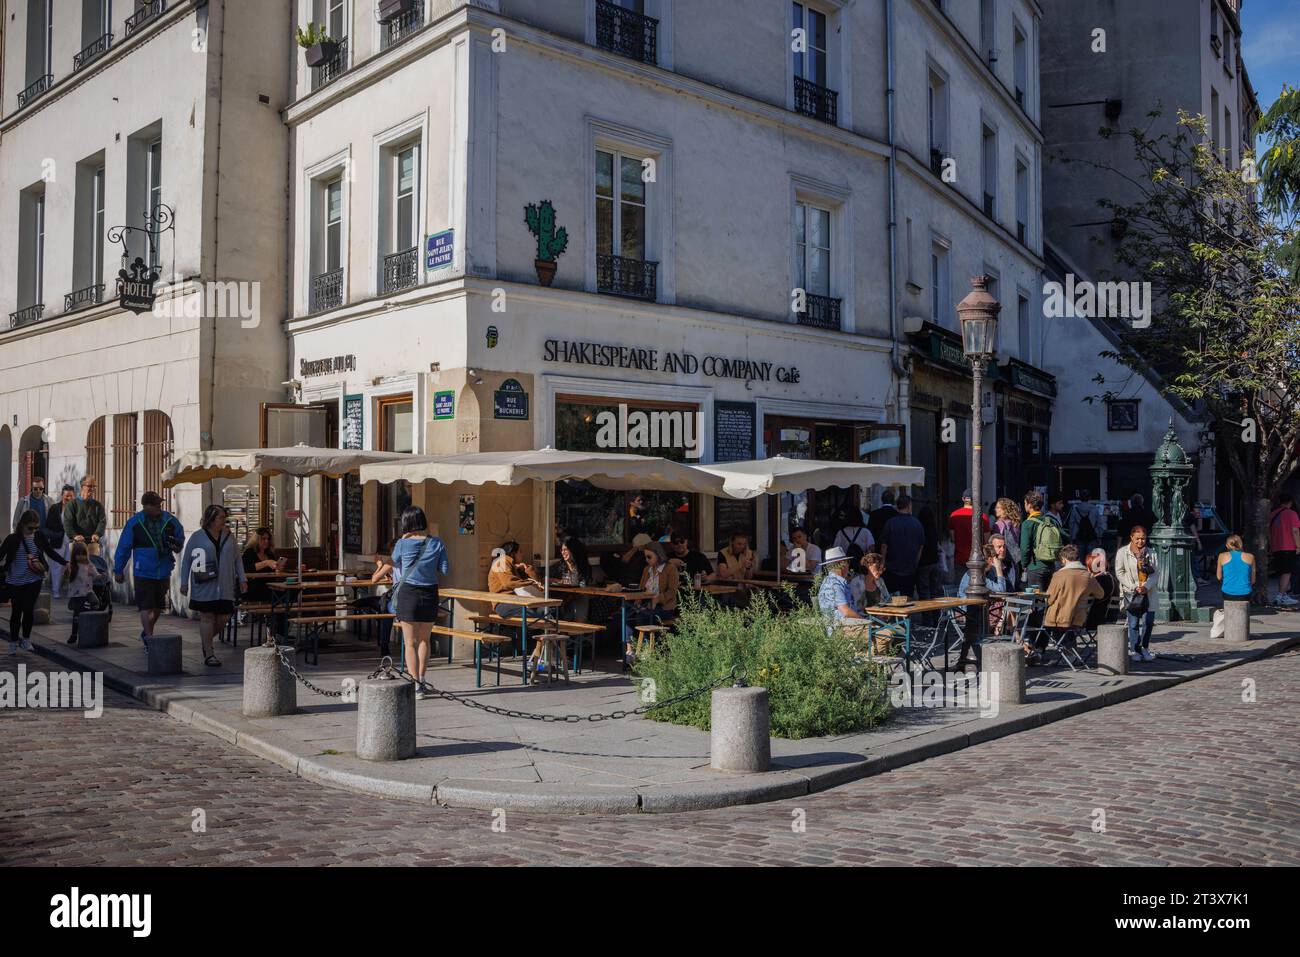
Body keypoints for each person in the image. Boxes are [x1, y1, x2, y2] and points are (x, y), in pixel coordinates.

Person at [389, 506, 449, 698]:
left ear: (406, 523)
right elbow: (445, 569)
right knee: (425, 639)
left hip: (408, 594)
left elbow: (394, 561)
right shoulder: (437, 542)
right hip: (430, 593)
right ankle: (422, 679)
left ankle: (415, 686)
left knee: (410, 642)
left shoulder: (402, 543)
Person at [113, 491, 184, 644]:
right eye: (156, 504)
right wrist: (118, 570)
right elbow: (124, 547)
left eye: (160, 503)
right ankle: (150, 640)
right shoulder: (134, 523)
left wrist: (177, 544)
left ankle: (146, 632)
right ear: (146, 506)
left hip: (163, 570)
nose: (160, 506)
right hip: (143, 571)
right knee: (146, 607)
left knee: (158, 607)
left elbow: (180, 538)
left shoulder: (170, 520)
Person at [179, 505, 247, 667]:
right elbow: (187, 560)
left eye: (224, 517)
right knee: (207, 616)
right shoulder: (197, 537)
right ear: (211, 519)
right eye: (221, 517)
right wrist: (183, 582)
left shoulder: (229, 536)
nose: (224, 520)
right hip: (204, 585)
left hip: (225, 585)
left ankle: (205, 640)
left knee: (223, 618)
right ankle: (209, 653)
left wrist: (243, 579)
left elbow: (238, 559)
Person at [2, 509, 68, 653]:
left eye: (36, 527)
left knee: (28, 609)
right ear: (22, 525)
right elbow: (1, 555)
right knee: (16, 611)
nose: (33, 530)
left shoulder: (39, 536)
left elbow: (50, 552)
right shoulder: (12, 539)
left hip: (34, 579)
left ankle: (25, 640)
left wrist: (65, 562)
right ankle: (13, 642)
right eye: (30, 528)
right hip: (14, 580)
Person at [1035, 544, 1105, 665]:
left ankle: (1041, 651)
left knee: (1041, 619)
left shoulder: (1059, 575)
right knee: (1067, 626)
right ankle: (1070, 653)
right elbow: (1100, 594)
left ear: (1064, 559)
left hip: (1060, 618)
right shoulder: (1088, 576)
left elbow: (1049, 599)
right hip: (1080, 618)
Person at [624, 541, 680, 665]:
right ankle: (630, 650)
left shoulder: (670, 569)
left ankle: (646, 650)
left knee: (642, 616)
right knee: (627, 615)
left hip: (664, 607)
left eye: (649, 557)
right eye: (645, 557)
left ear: (658, 555)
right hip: (646, 604)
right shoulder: (647, 569)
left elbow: (672, 591)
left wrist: (658, 599)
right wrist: (638, 600)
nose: (647, 560)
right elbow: (642, 588)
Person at [1115, 525, 1159, 662]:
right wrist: (1133, 586)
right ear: (1131, 538)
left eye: (1143, 538)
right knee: (1133, 623)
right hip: (1131, 593)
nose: (1140, 541)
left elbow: (1156, 573)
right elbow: (1119, 572)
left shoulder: (1151, 553)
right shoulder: (1123, 552)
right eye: (1137, 538)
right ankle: (1134, 649)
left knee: (1148, 622)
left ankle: (1144, 647)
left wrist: (1146, 586)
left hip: (1148, 592)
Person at [878, 494, 925, 597]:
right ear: (909, 506)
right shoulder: (917, 524)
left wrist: (882, 562)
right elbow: (920, 547)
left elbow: (884, 545)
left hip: (892, 568)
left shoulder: (890, 523)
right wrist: (915, 562)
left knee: (891, 599)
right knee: (907, 599)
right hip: (910, 568)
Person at [64, 541, 109, 645]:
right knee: (76, 616)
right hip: (76, 594)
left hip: (88, 591)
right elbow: (66, 577)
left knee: (96, 603)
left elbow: (95, 575)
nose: (81, 557)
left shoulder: (89, 565)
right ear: (74, 555)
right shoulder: (71, 566)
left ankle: (86, 614)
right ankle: (74, 634)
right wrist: (66, 571)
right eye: (78, 554)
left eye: (83, 554)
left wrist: (101, 576)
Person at [1019, 489, 1063, 593]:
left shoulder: (1027, 524)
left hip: (1035, 567)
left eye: (1025, 503)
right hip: (1051, 565)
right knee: (1049, 599)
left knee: (1036, 600)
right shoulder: (1050, 520)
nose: (1024, 505)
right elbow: (1063, 536)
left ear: (1029, 505)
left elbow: (1025, 548)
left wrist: (1024, 565)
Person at [488, 540, 540, 616]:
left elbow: (537, 581)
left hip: (515, 600)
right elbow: (509, 583)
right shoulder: (501, 562)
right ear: (513, 553)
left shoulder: (513, 566)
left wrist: (527, 569)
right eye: (520, 551)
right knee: (533, 613)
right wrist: (532, 583)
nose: (523, 554)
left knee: (542, 610)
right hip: (503, 603)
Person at [816, 547, 865, 628]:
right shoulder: (835, 584)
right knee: (887, 634)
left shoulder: (832, 581)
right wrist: (865, 622)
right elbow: (846, 612)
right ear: (842, 563)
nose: (848, 565)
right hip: (843, 630)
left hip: (848, 626)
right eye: (847, 562)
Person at [947, 490, 990, 579]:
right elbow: (987, 540)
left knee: (960, 587)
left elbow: (953, 538)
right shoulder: (983, 516)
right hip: (978, 559)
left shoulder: (954, 515)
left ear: (963, 499)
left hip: (960, 558)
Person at [44, 485, 77, 598]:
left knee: (71, 566)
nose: (68, 498)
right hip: (58, 540)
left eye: (71, 496)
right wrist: (61, 528)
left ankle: (72, 591)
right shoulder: (55, 508)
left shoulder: (77, 508)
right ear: (62, 495)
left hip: (72, 541)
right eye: (66, 495)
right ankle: (56, 591)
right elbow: (48, 524)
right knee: (57, 566)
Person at [1268, 495, 1300, 606]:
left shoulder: (1272, 514)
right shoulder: (1292, 514)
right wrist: (1298, 546)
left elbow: (1268, 533)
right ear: (1290, 502)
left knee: (1282, 572)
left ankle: (1283, 594)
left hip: (1276, 546)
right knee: (1287, 572)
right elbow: (1295, 530)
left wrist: (1271, 546)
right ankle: (1280, 596)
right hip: (1288, 546)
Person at [241, 527, 286, 604]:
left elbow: (273, 571)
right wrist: (266, 563)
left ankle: (280, 614)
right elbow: (246, 568)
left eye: (268, 539)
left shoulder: (269, 554)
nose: (266, 541)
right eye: (263, 539)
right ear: (257, 540)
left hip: (269, 586)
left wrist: (278, 568)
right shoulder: (249, 552)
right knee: (280, 595)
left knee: (288, 593)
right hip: (253, 588)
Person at [63, 476, 107, 550]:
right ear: (82, 486)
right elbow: (67, 523)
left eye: (94, 486)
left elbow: (102, 522)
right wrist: (75, 535)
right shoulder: (72, 504)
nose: (92, 489)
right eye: (90, 486)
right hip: (76, 543)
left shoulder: (98, 506)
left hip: (93, 543)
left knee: (94, 561)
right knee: (79, 561)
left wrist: (97, 534)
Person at [1216, 533, 1255, 610]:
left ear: (1227, 545)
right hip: (1245, 594)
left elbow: (1219, 577)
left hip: (1227, 593)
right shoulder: (1250, 557)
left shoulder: (1222, 556)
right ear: (1241, 544)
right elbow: (1253, 581)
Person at [914, 505, 944, 602]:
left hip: (923, 563)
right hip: (934, 562)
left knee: (924, 592)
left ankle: (927, 616)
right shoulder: (933, 529)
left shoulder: (919, 528)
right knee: (935, 592)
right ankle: (936, 615)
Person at [1083, 548, 1117, 632]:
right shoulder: (1110, 577)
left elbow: (1089, 598)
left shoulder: (1100, 580)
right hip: (1110, 616)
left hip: (1096, 620)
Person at [993, 497, 1023, 568]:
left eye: (998, 508)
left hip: (1003, 561)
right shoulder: (1015, 524)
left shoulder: (999, 524)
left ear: (1005, 510)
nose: (995, 509)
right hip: (1014, 559)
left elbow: (995, 544)